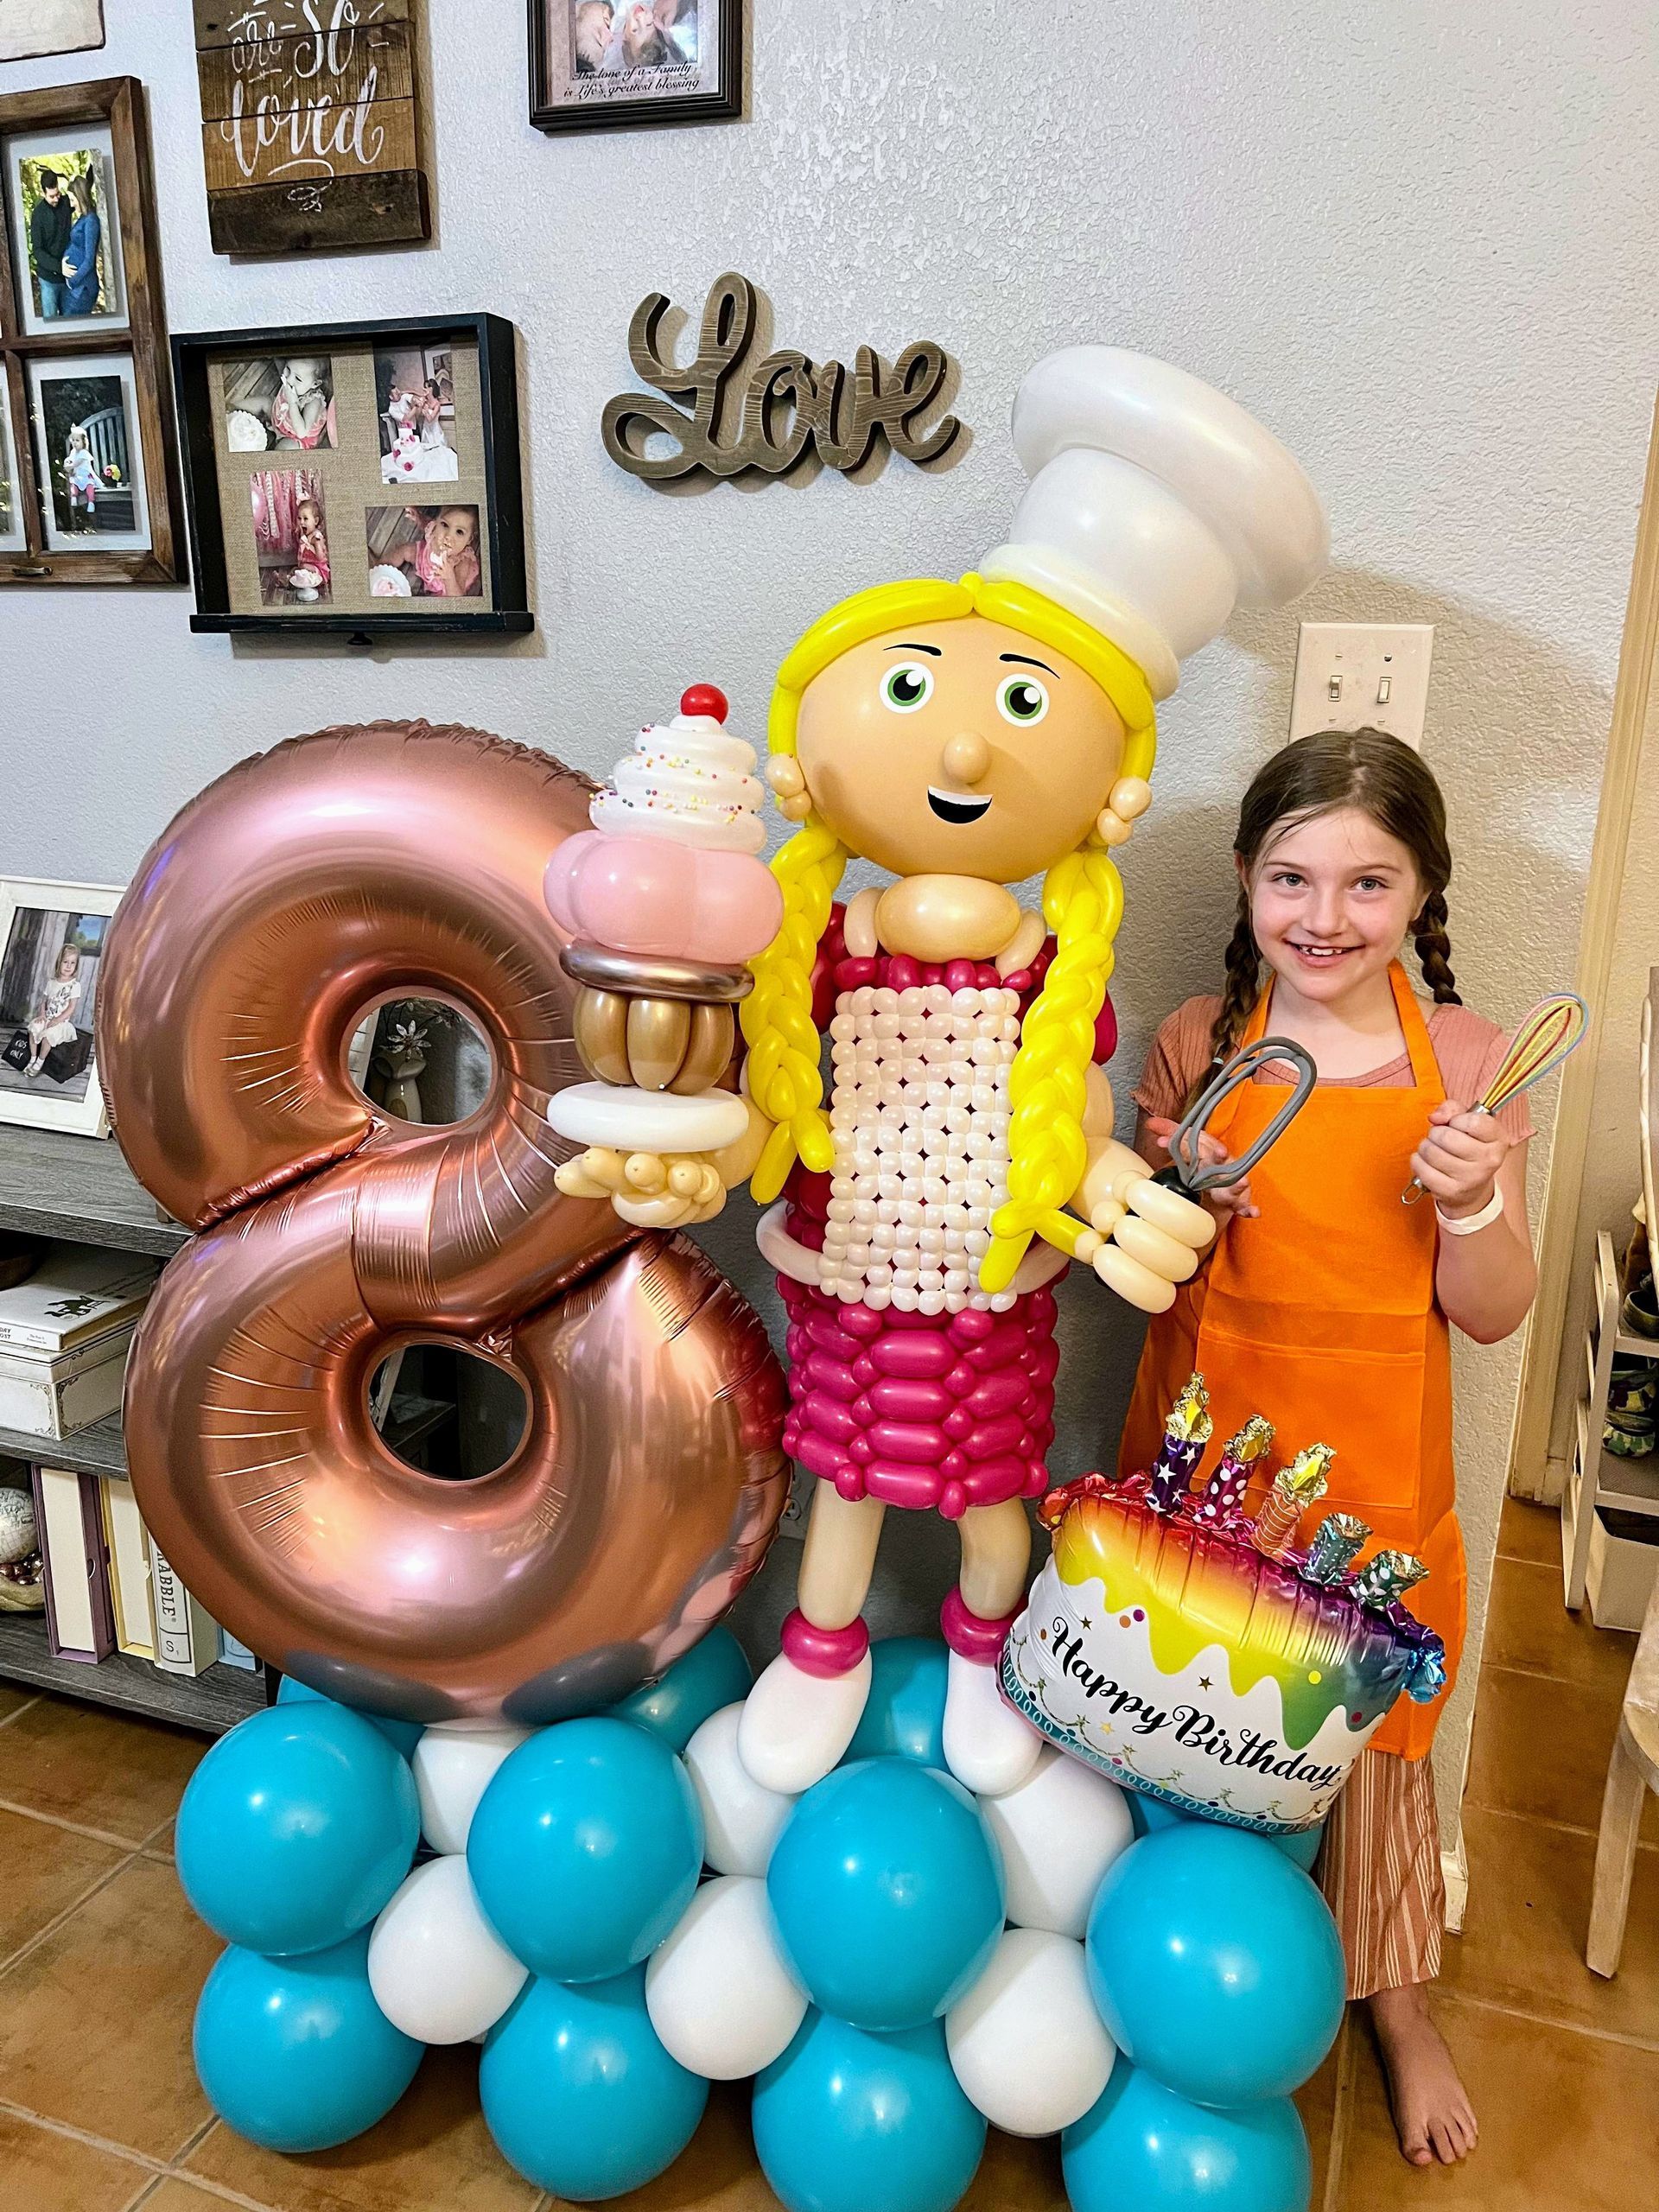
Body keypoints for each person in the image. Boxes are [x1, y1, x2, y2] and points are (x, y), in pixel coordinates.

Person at [556, 349, 1329, 1802]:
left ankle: (988, 1648)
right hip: (847, 1280)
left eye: (1025, 708)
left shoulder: (1054, 983)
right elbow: (771, 1103)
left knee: (993, 1497)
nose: (964, 740)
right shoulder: (813, 948)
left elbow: (1074, 1125)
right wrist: (685, 1137)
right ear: (807, 752)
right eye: (911, 691)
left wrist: (1110, 1191)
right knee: (840, 1483)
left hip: (988, 1297)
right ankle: (823, 1653)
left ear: (1109, 790)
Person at [1122, 728, 1535, 2171]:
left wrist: (1472, 1204)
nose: (1324, 917)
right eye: (1292, 877)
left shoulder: (1472, 1064)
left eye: (1371, 883)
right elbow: (1147, 1285)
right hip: (1209, 1459)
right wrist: (1173, 1198)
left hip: (1372, 1481)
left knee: (1374, 1755)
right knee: (1181, 1719)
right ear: (1245, 881)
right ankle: (1159, 1954)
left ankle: (1398, 1999)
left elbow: (1492, 1318)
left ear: (1421, 894)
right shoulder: (1197, 1042)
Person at [394, 505, 480, 598]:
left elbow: (458, 597)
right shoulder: (434, 529)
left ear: (469, 540)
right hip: (425, 560)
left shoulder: (462, 561)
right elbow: (426, 525)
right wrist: (418, 518)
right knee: (405, 550)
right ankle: (379, 565)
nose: (448, 536)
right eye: (444, 525)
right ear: (436, 522)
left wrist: (449, 577)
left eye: (459, 532)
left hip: (444, 585)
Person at [24, 945, 83, 1077]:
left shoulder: (74, 985)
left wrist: (57, 1020)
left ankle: (40, 1062)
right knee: (34, 1029)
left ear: (76, 966)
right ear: (59, 963)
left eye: (72, 963)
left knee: (47, 1037)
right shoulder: (51, 982)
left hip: (61, 1023)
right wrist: (42, 1014)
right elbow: (44, 1002)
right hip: (47, 1017)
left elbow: (71, 1008)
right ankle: (32, 1058)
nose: (68, 966)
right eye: (65, 962)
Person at [29, 168, 70, 318]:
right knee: (51, 323)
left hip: (67, 279)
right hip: (48, 280)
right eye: (52, 196)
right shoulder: (38, 215)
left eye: (58, 194)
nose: (56, 199)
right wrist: (59, 267)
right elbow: (38, 251)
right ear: (43, 193)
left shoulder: (65, 202)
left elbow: (82, 198)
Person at [60, 170, 102, 316]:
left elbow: (89, 261)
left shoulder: (91, 221)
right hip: (74, 287)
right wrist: (63, 265)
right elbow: (73, 244)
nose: (71, 204)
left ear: (80, 197)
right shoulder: (82, 218)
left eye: (73, 200)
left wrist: (73, 281)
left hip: (82, 288)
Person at [62, 423, 99, 530]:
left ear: (83, 442)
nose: (74, 443)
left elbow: (77, 463)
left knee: (90, 487)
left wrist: (70, 466)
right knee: (73, 484)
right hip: (78, 477)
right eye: (73, 440)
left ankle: (91, 502)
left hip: (86, 477)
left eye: (77, 440)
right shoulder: (73, 452)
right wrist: (67, 463)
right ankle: (74, 497)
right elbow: (70, 459)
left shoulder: (84, 453)